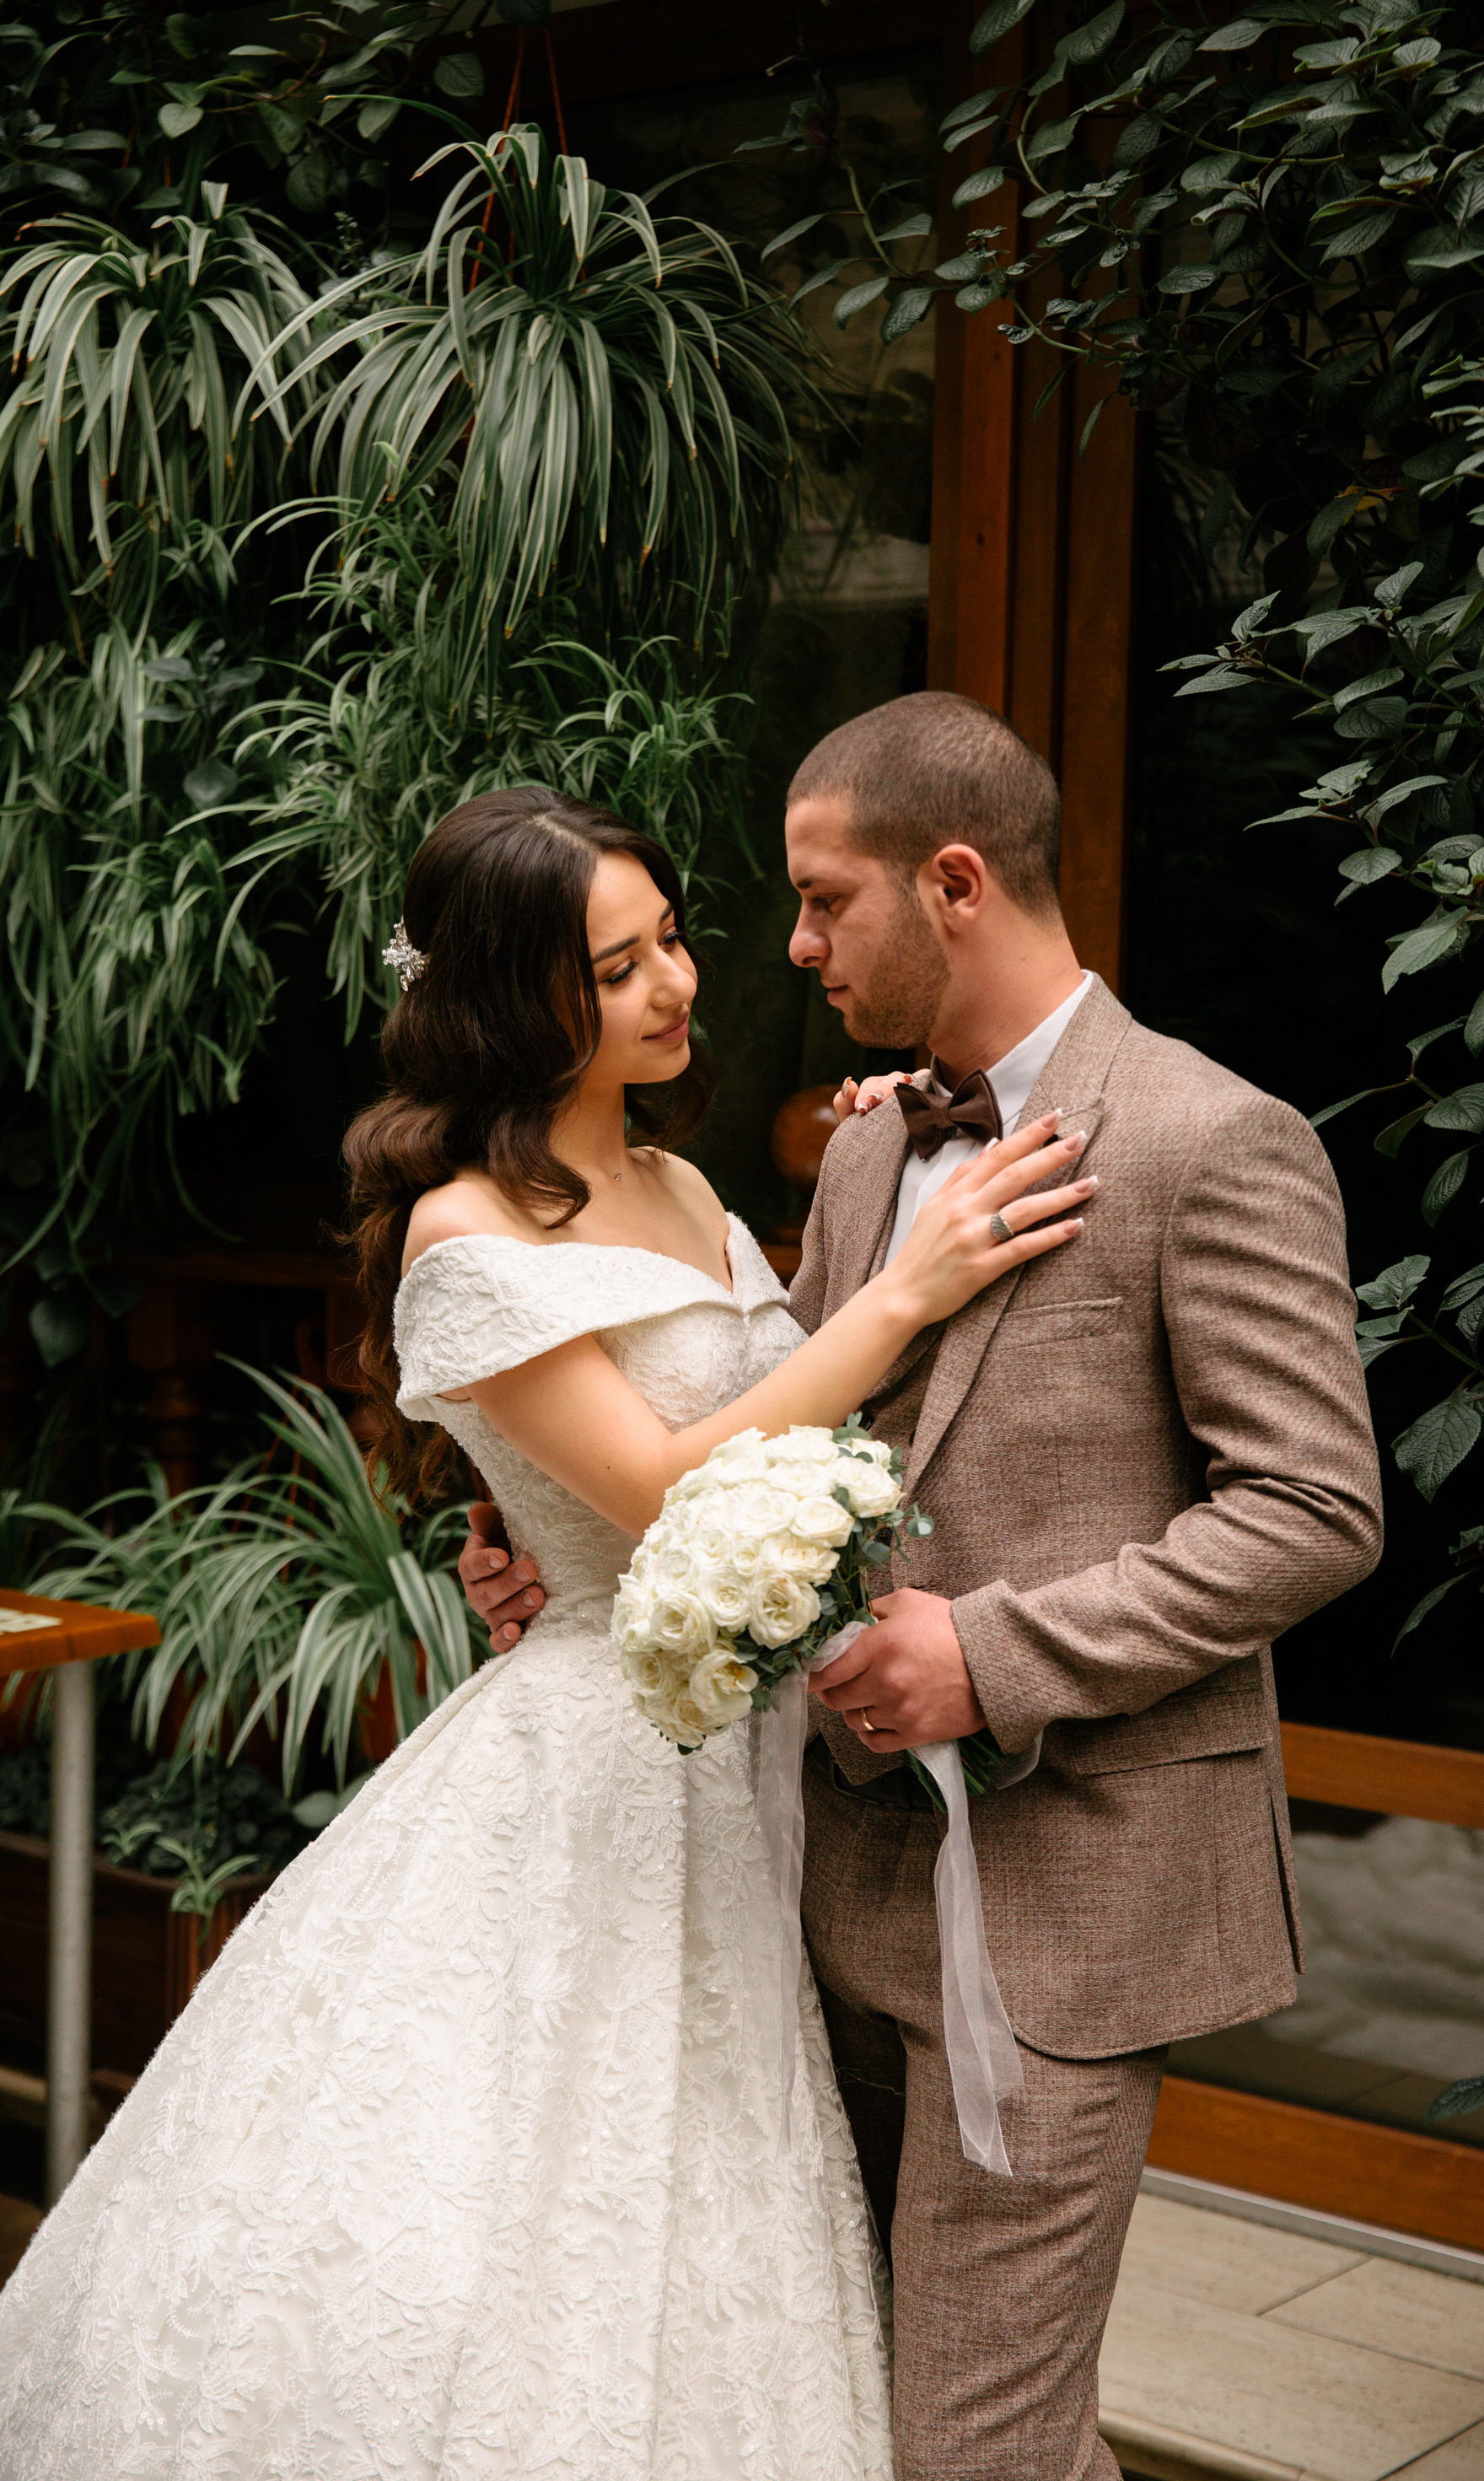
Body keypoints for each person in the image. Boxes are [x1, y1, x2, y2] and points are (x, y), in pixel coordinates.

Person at [0, 783, 1094, 2480]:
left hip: (755, 1758)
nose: (677, 984)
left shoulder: (683, 1183)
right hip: (597, 1757)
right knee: (525, 2183)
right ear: (517, 997)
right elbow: (662, 1489)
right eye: (617, 965)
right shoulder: (464, 1232)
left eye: (668, 940)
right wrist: (903, 1291)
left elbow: (772, 1404)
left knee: (715, 2176)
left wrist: (889, 1153)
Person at [464, 691, 1385, 2481]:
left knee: (973, 2446)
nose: (790, 947)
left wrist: (986, 1651)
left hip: (1065, 1907)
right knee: (842, 2409)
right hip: (822, 1885)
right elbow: (782, 1450)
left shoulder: (1214, 1138)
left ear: (950, 882)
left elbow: (1311, 1509)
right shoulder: (872, 1140)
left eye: (824, 903)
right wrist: (581, 1562)